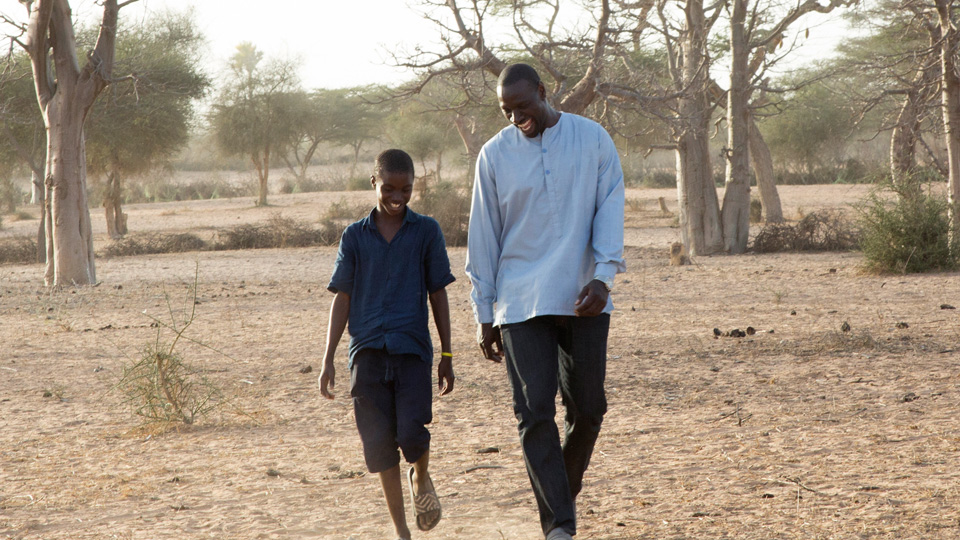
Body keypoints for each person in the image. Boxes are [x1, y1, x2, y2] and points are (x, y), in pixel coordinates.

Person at [465, 63, 625, 540]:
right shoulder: (494, 156)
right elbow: (484, 238)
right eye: (506, 111)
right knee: (534, 411)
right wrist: (483, 313)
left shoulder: (592, 138)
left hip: (583, 296)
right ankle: (560, 526)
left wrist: (603, 277)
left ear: (542, 91)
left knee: (589, 409)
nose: (517, 118)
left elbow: (610, 205)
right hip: (519, 301)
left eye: (524, 106)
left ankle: (560, 492)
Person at [318, 149, 456, 540]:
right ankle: (401, 532)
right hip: (367, 353)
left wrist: (447, 354)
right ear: (373, 183)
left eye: (406, 189)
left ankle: (422, 475)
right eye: (389, 188)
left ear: (414, 187)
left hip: (412, 350)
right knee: (379, 447)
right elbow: (341, 296)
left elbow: (438, 292)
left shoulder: (427, 231)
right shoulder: (354, 236)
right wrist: (327, 359)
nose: (397, 196)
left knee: (412, 433)